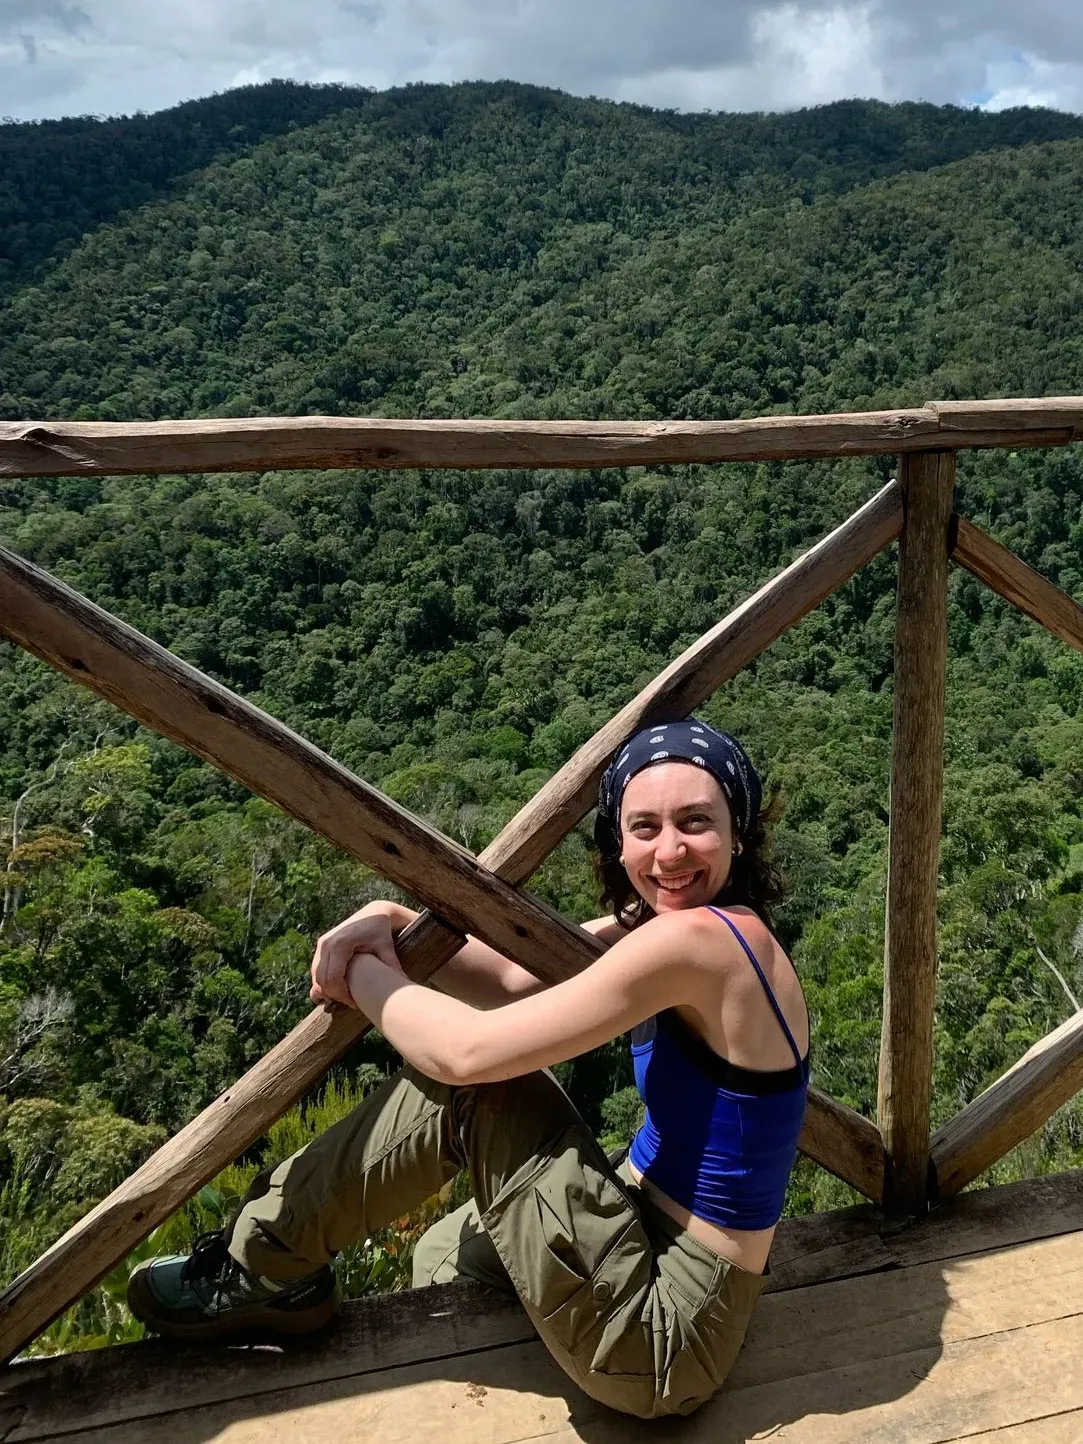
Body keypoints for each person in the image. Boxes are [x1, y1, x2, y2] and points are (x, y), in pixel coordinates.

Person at [128, 718, 810, 1420]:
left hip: (667, 1338)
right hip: (646, 1230)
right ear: (619, 840)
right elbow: (516, 982)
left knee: (484, 1091)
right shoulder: (690, 925)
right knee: (445, 1250)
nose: (668, 851)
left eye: (694, 822)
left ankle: (261, 1267)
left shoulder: (708, 944)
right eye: (644, 828)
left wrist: (362, 976)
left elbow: (464, 1055)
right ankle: (283, 1267)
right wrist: (396, 921)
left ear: (738, 829)